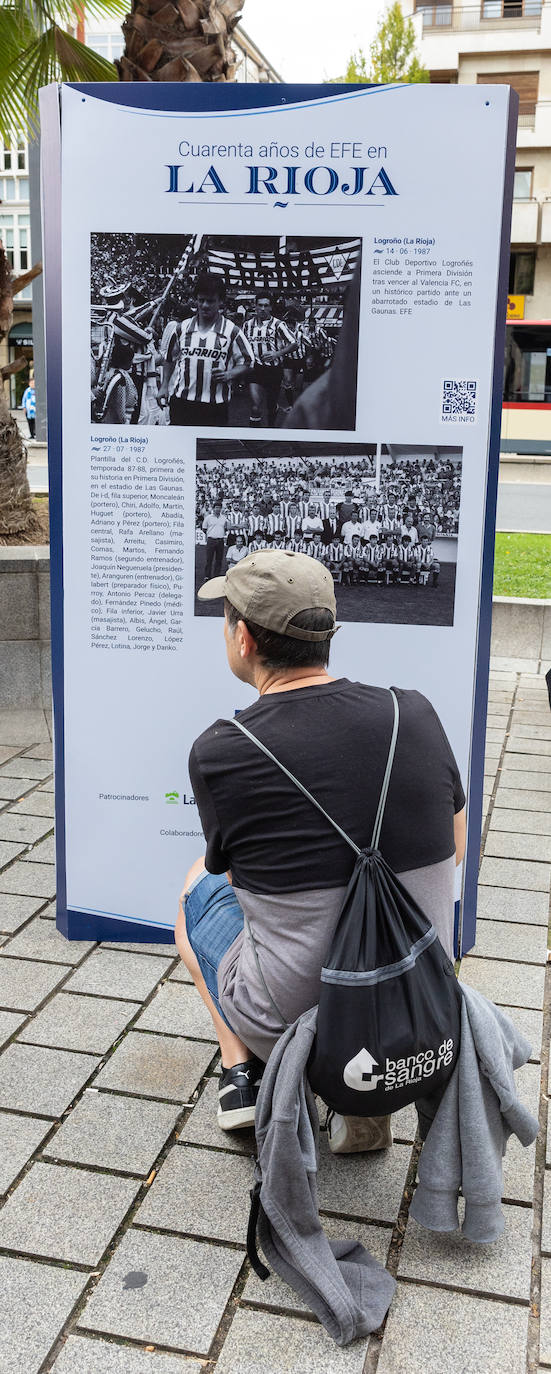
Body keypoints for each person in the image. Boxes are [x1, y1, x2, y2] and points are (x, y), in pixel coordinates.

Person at [175, 548, 466, 1150]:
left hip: (306, 1020)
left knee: (195, 890)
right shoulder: (413, 711)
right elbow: (456, 850)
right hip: (422, 999)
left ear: (244, 640)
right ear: (325, 635)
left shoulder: (222, 749)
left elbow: (241, 887)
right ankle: (358, 1103)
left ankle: (246, 1068)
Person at [158, 272, 255, 427]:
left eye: (210, 301)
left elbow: (248, 362)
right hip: (182, 402)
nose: (204, 305)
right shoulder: (181, 328)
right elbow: (169, 359)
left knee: (210, 449)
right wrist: (164, 387)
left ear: (220, 302)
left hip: (215, 405)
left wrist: (229, 374)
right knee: (180, 448)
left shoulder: (232, 331)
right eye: (201, 300)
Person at [244, 293, 296, 426]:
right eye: (259, 305)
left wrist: (277, 353)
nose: (262, 308)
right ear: (255, 306)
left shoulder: (278, 324)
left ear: (271, 307)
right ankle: (254, 438)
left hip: (273, 370)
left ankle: (271, 428)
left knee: (271, 405)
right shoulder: (247, 325)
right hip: (255, 369)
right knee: (255, 406)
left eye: (266, 305)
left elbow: (294, 343)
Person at [202, 501, 226, 581]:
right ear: (213, 508)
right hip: (211, 540)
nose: (218, 509)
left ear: (221, 509)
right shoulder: (208, 518)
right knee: (209, 559)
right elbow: (204, 529)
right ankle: (207, 575)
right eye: (216, 507)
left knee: (219, 559)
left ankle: (216, 575)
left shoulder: (224, 518)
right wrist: (211, 534)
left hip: (220, 540)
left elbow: (225, 528)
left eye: (219, 508)